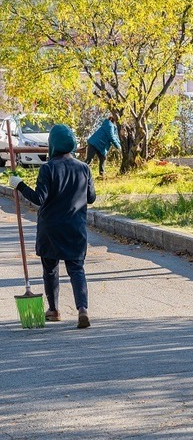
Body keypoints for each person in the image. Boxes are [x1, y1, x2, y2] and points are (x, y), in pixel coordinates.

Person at [9, 124, 96, 329]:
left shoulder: (48, 168)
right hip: (75, 228)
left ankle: (54, 310)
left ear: (53, 145)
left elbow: (39, 198)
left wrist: (19, 184)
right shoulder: (84, 168)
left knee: (50, 270)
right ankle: (82, 309)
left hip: (51, 229)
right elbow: (91, 198)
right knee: (76, 269)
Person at [85, 114, 121, 178]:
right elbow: (111, 137)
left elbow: (115, 137)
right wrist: (118, 147)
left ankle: (102, 175)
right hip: (94, 144)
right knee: (89, 160)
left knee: (103, 158)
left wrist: (120, 144)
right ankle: (81, 172)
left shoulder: (111, 126)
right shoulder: (109, 125)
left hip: (100, 145)